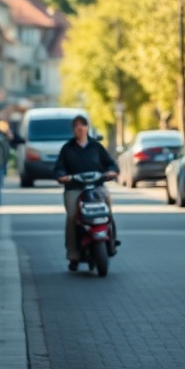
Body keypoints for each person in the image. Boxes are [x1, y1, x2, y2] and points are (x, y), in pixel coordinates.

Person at [53, 114, 120, 271]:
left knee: (108, 207)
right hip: (74, 189)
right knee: (72, 216)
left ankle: (111, 242)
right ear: (73, 129)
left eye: (82, 125)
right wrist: (63, 176)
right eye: (76, 125)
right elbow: (58, 169)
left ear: (87, 127)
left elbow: (110, 164)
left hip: (97, 187)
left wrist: (111, 172)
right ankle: (73, 254)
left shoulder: (96, 147)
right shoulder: (67, 148)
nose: (79, 128)